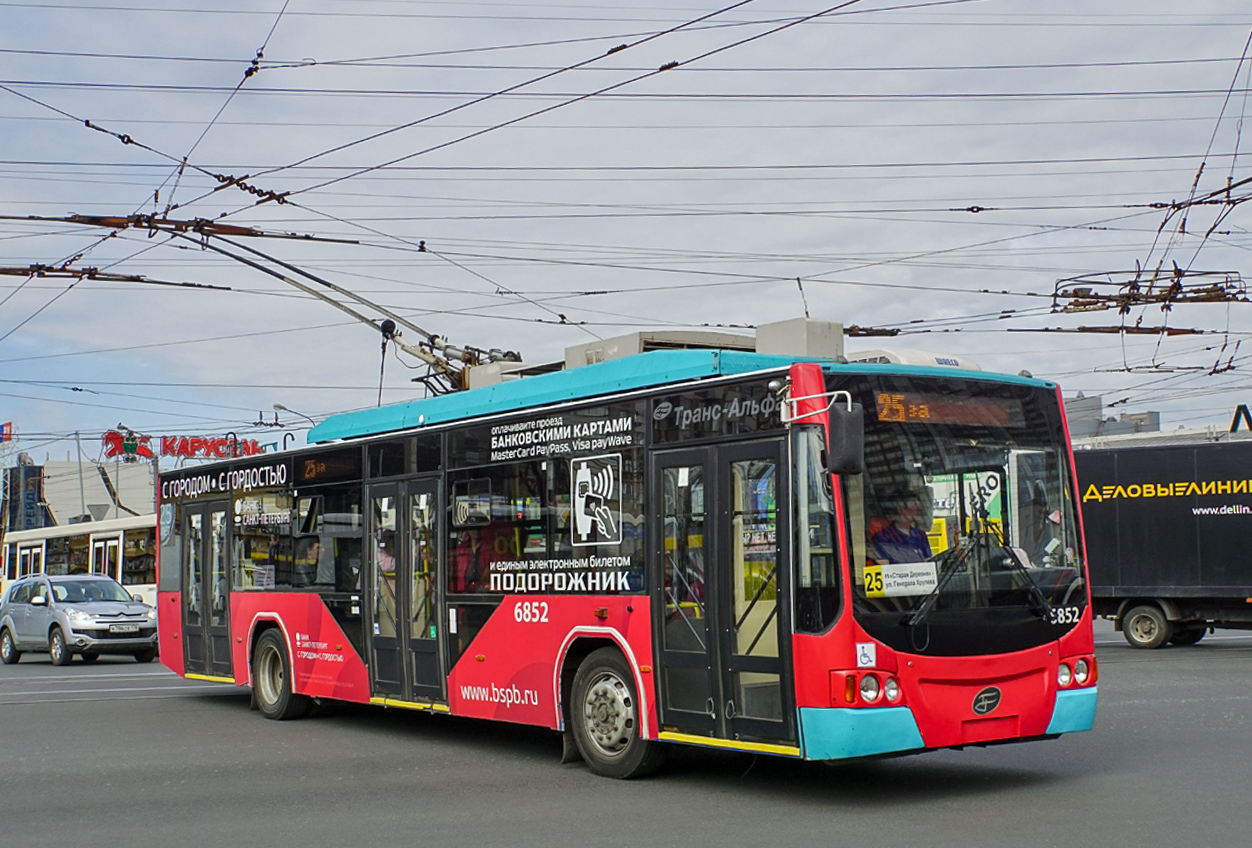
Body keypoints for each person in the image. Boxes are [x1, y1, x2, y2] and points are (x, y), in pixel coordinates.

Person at [871, 490, 933, 563]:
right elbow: (884, 566)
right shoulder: (883, 537)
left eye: (918, 504)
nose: (919, 508)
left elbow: (928, 562)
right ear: (901, 510)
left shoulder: (920, 535)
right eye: (914, 504)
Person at [452, 525, 488, 593]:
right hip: (463, 592)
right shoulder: (460, 550)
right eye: (473, 528)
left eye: (479, 528)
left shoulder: (490, 548)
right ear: (468, 530)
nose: (476, 531)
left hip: (486, 592)